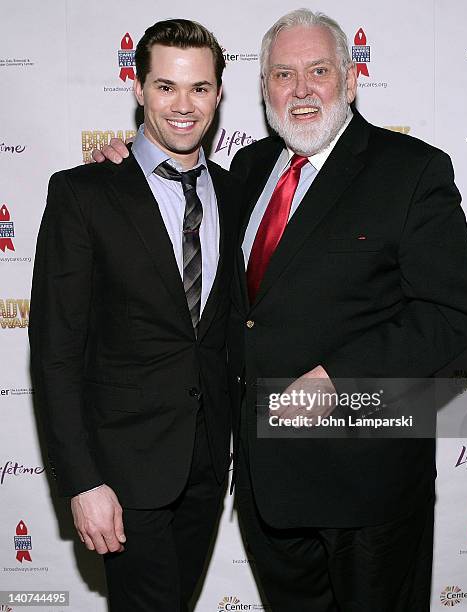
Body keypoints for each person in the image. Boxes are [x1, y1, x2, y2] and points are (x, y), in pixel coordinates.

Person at [96, 9, 467, 611]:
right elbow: (173, 199)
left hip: (367, 491)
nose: (300, 90)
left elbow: (450, 318)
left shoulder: (411, 171)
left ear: (350, 81)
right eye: (282, 74)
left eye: (318, 70)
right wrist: (126, 166)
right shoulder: (245, 172)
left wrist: (338, 381)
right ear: (262, 88)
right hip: (267, 487)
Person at [29, 18, 240, 612]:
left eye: (199, 88)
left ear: (219, 95)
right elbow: (55, 352)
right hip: (120, 472)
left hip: (205, 461)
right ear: (138, 88)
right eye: (166, 86)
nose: (183, 105)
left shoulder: (236, 190)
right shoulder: (85, 193)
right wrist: (81, 481)